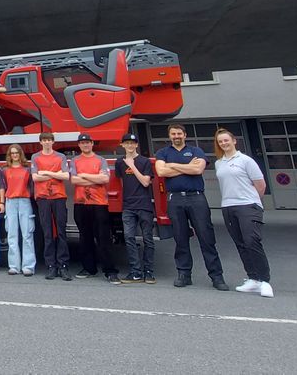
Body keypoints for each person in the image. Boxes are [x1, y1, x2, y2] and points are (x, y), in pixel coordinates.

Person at [156, 124, 228, 291]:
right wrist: (186, 167)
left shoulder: (196, 151)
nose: (176, 136)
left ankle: (217, 276)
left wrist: (172, 165)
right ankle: (184, 274)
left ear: (185, 135)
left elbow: (198, 169)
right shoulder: (163, 152)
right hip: (175, 199)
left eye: (179, 133)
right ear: (170, 136)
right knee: (180, 239)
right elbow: (161, 172)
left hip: (196, 198)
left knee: (206, 238)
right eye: (173, 134)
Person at [214, 128, 274, 298]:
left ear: (234, 141)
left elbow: (260, 185)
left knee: (252, 241)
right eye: (220, 141)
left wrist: (253, 201)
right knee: (240, 243)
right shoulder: (219, 163)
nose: (224, 143)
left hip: (248, 205)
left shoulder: (246, 160)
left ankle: (265, 281)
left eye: (226, 140)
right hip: (228, 206)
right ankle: (252, 278)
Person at [70, 133, 120, 284]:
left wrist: (84, 176)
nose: (85, 145)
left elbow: (105, 179)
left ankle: (110, 271)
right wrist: (94, 178)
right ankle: (89, 268)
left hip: (99, 204)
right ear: (79, 145)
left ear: (92, 144)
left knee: (103, 238)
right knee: (85, 238)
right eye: (82, 143)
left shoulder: (100, 160)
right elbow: (73, 180)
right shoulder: (74, 160)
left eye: (88, 142)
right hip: (80, 203)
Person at [115, 133, 155, 284]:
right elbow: (122, 181)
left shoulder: (144, 161)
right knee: (129, 238)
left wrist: (132, 166)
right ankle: (135, 272)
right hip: (128, 206)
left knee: (148, 239)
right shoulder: (120, 162)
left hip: (144, 205)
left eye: (132, 143)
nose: (130, 145)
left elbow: (146, 182)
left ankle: (149, 272)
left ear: (137, 145)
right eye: (127, 143)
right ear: (122, 145)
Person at [31, 131, 71, 280]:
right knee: (47, 233)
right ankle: (51, 266)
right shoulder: (36, 157)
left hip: (59, 197)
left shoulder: (60, 156)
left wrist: (46, 172)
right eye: (44, 140)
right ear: (40, 142)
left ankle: (63, 266)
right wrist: (56, 173)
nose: (47, 142)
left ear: (53, 142)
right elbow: (35, 177)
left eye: (49, 140)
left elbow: (66, 176)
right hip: (43, 198)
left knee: (61, 232)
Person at [3, 144, 36, 276]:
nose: (15, 155)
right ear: (9, 155)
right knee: (11, 235)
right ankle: (14, 266)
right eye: (12, 153)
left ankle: (28, 266)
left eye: (17, 153)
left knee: (27, 234)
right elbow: (3, 186)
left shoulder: (27, 170)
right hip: (10, 201)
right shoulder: (5, 170)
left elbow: (32, 186)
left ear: (20, 154)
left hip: (24, 201)